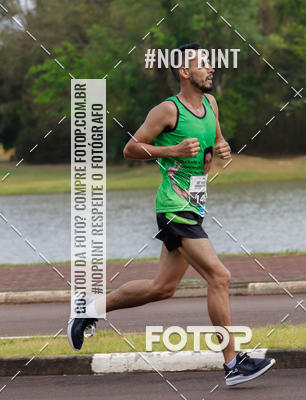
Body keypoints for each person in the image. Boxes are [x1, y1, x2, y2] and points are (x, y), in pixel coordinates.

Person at [67, 42, 275, 386]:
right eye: (203, 63)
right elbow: (131, 148)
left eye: (210, 62)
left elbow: (215, 142)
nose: (210, 68)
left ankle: (89, 308)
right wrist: (172, 150)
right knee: (219, 277)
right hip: (174, 207)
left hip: (195, 205)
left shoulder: (211, 104)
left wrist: (222, 147)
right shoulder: (167, 110)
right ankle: (233, 363)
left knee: (161, 288)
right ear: (184, 71)